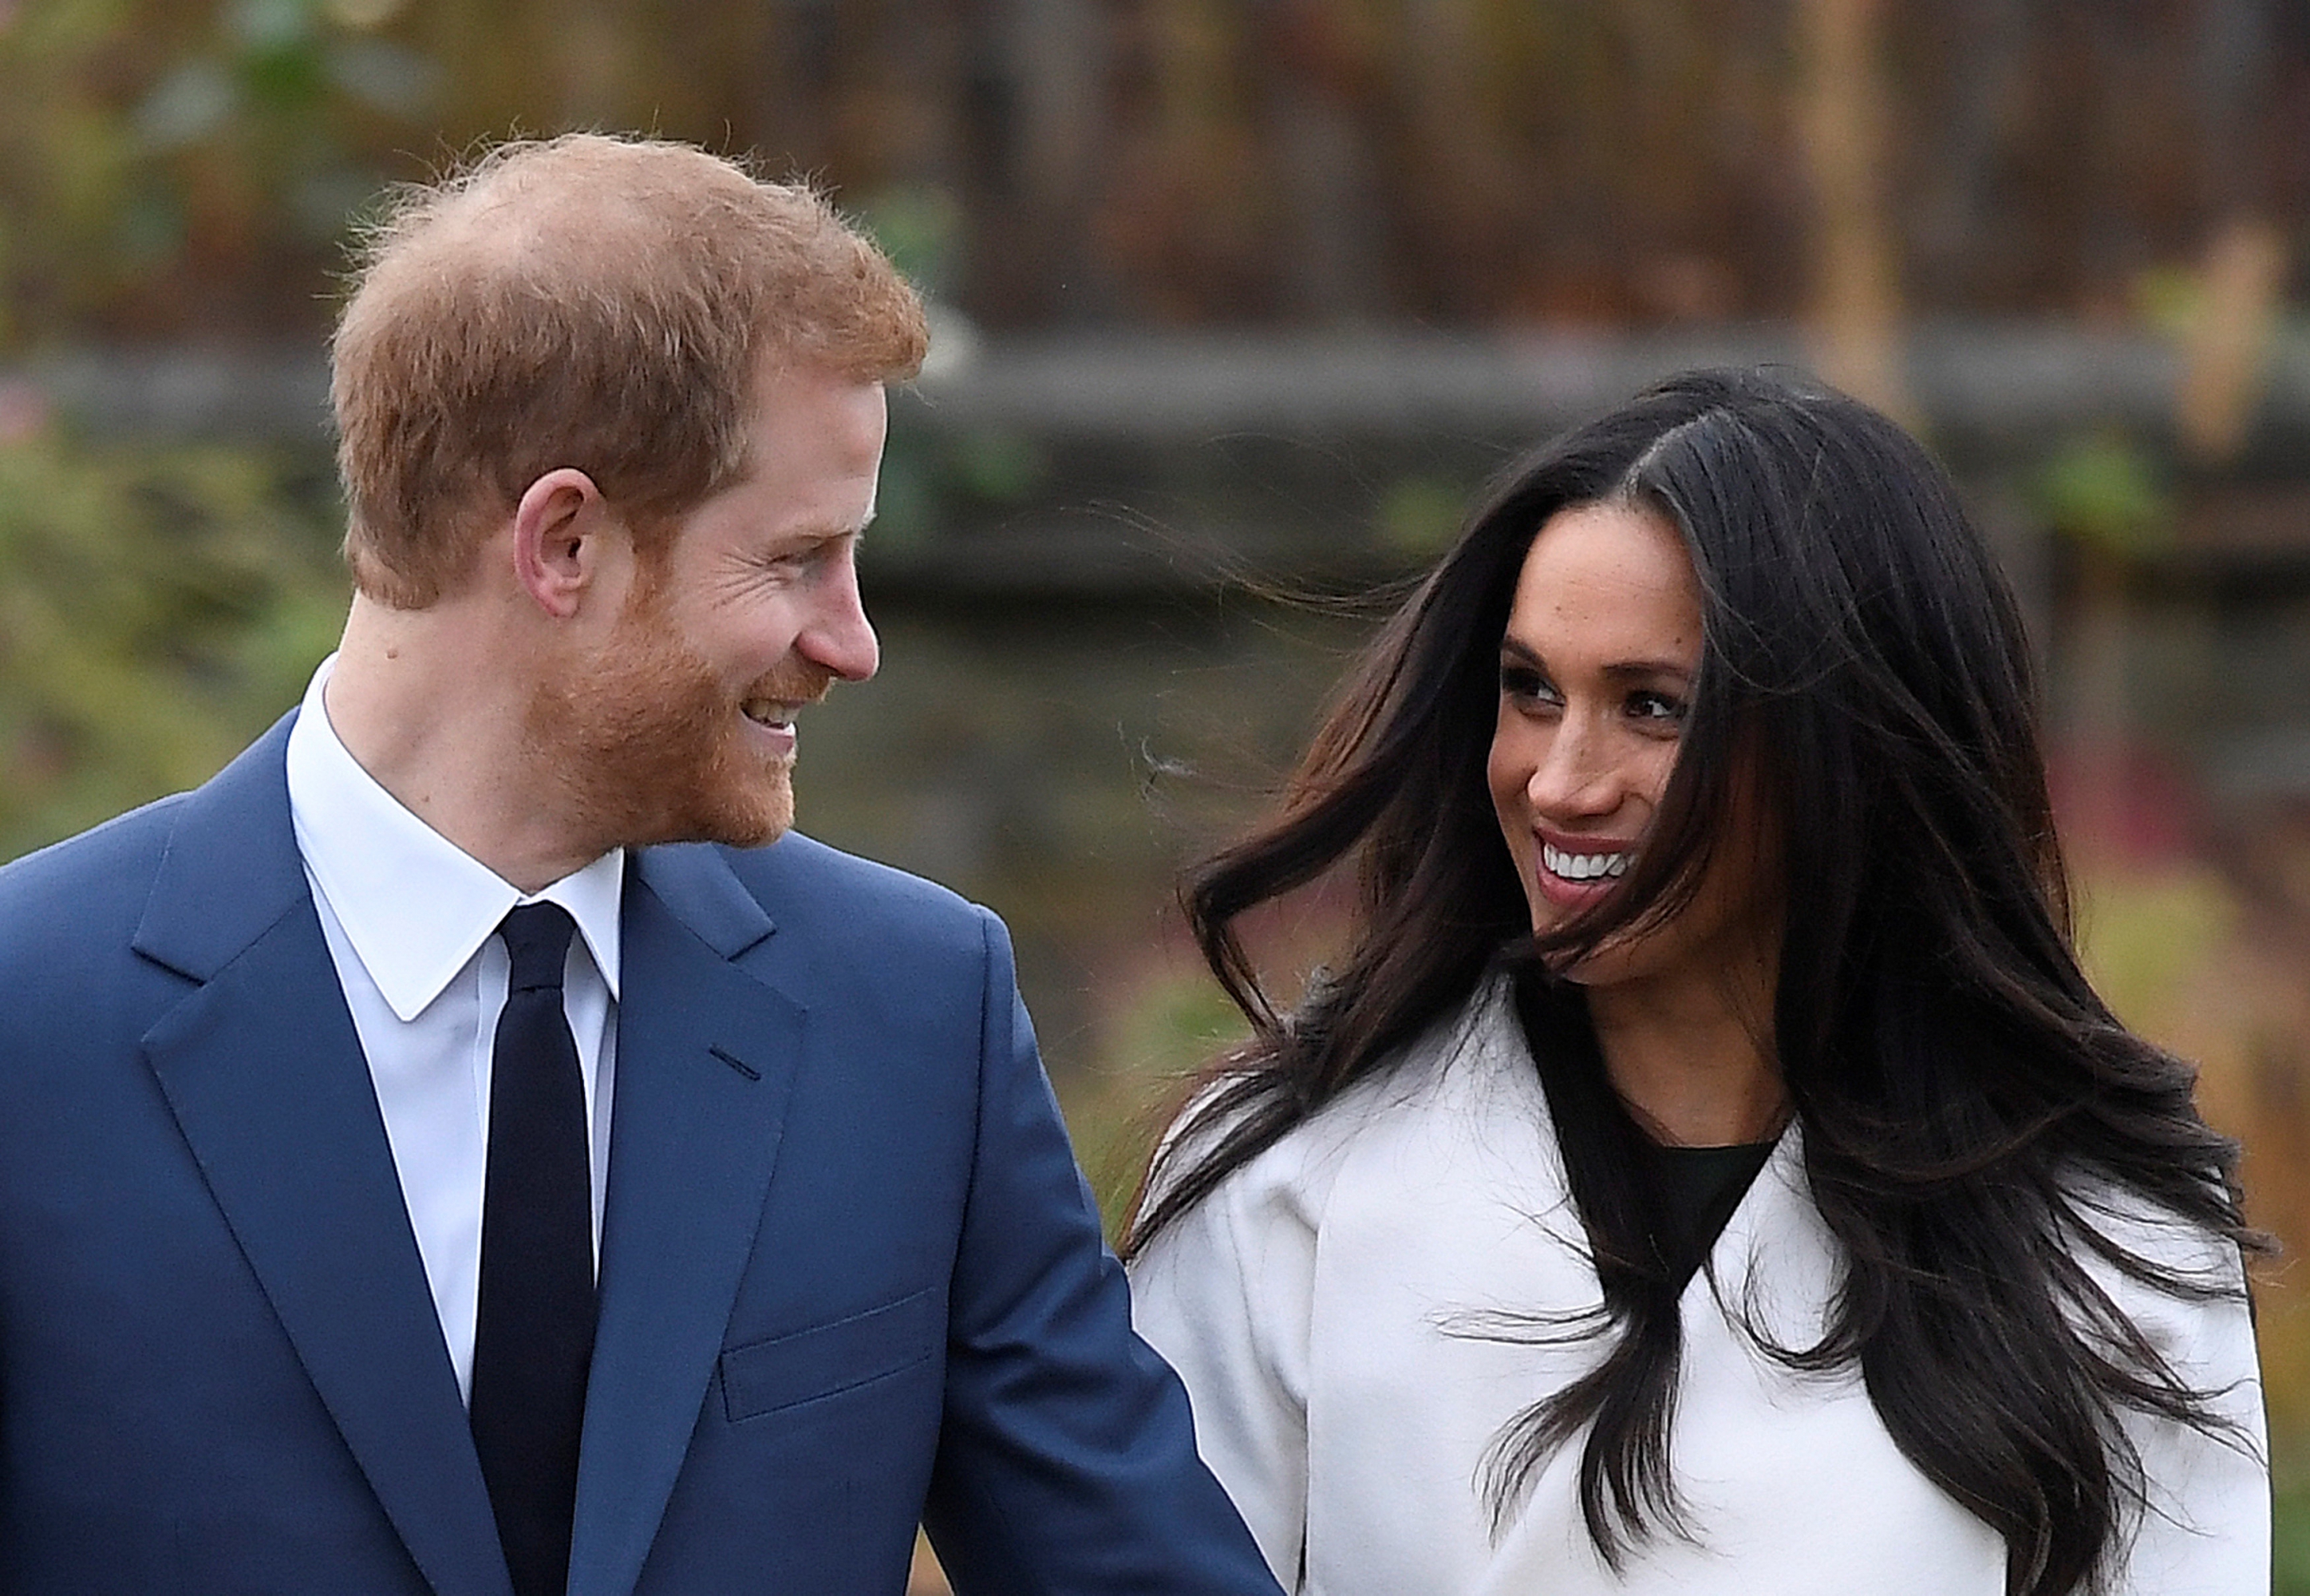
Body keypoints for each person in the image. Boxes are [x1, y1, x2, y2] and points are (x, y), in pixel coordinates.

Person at [0, 134, 1281, 1596]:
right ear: (565, 545)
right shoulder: (25, 1028)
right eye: (799, 558)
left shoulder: (915, 1015)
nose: (853, 642)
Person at [1126, 369, 2268, 1596]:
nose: (1563, 780)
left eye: (1654, 707)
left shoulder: (2107, 1250)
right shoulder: (1286, 1190)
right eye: (1532, 691)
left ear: (1853, 746)